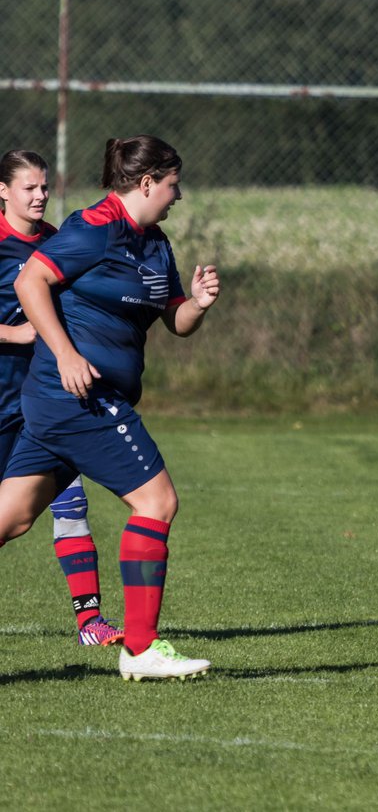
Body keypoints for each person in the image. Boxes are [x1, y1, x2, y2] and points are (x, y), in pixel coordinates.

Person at [0, 135, 221, 680]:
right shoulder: (93, 228)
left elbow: (175, 321)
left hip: (63, 404)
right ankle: (141, 648)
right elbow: (32, 281)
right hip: (78, 397)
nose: (178, 194)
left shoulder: (154, 243)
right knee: (157, 501)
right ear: (147, 183)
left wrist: (196, 303)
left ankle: (139, 646)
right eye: (173, 184)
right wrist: (67, 353)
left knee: (12, 517)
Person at [0, 149, 123, 647]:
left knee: (70, 504)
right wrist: (16, 335)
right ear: (3, 191)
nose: (39, 196)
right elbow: (28, 329)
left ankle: (90, 623)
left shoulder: (55, 243)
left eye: (44, 187)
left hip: (43, 404)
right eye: (28, 187)